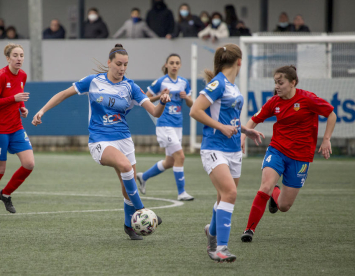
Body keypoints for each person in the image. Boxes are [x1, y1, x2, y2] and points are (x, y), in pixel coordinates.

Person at [31, 44, 171, 240]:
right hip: (100, 140)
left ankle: (128, 226)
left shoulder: (130, 86)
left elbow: (155, 112)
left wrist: (163, 102)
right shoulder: (93, 81)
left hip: (124, 139)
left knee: (126, 184)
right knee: (125, 167)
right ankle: (143, 210)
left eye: (126, 65)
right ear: (109, 63)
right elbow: (63, 94)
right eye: (118, 64)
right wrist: (41, 111)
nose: (122, 68)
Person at [240, 65, 336, 242]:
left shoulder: (308, 99)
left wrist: (326, 139)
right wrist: (244, 135)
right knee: (265, 187)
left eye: (280, 82)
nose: (277, 86)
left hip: (301, 158)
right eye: (275, 82)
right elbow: (254, 119)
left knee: (284, 206)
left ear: (293, 83)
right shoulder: (274, 102)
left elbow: (331, 114)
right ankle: (249, 230)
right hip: (277, 150)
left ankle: (276, 193)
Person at [189, 44, 264, 262]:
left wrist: (244, 130)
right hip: (214, 148)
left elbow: (228, 118)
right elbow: (195, 110)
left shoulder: (232, 85)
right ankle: (219, 248)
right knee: (230, 193)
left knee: (223, 196)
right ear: (239, 61)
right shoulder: (218, 83)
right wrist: (221, 128)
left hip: (233, 150)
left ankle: (212, 233)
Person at [0, 43, 34, 220]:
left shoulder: (23, 76)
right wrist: (14, 99)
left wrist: (22, 108)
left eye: (21, 55)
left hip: (16, 127)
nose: (19, 58)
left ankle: (5, 194)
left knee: (29, 164)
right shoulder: (1, 76)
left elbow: (18, 98)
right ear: (8, 58)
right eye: (15, 55)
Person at [136, 54, 194, 201]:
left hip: (177, 125)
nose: (174, 65)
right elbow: (146, 98)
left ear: (180, 65)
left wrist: (186, 98)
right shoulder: (160, 82)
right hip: (164, 124)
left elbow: (191, 104)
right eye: (172, 63)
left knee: (170, 161)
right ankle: (181, 193)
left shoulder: (184, 82)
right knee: (180, 156)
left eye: (177, 63)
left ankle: (144, 176)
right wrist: (160, 96)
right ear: (166, 65)